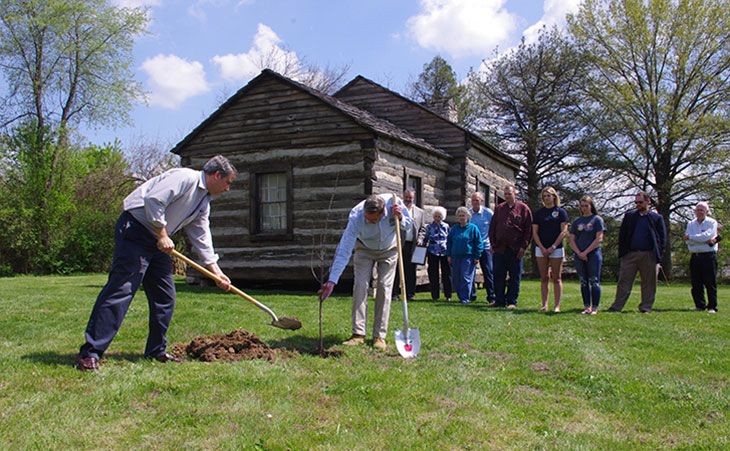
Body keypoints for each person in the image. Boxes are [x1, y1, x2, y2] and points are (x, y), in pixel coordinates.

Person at [76, 155, 237, 371]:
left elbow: (200, 234)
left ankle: (156, 350)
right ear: (217, 175)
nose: (228, 189)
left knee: (164, 296)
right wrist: (162, 234)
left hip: (159, 240)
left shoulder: (203, 200)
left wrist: (215, 271)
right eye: (228, 182)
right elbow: (154, 199)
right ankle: (91, 352)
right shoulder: (185, 177)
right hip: (136, 230)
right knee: (121, 290)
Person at [318, 194, 411, 351]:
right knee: (360, 286)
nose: (370, 222)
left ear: (383, 213)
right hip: (364, 248)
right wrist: (332, 281)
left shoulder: (394, 203)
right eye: (368, 219)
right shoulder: (356, 215)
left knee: (384, 287)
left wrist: (401, 217)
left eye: (373, 220)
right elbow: (345, 248)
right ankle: (358, 334)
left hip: (389, 249)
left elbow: (409, 225)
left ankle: (379, 336)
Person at [608, 191, 666, 313]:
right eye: (636, 202)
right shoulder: (629, 216)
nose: (638, 204)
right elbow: (622, 236)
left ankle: (645, 307)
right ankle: (617, 306)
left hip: (649, 255)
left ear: (648, 201)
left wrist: (658, 256)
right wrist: (623, 253)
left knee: (649, 283)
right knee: (624, 282)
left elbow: (662, 238)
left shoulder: (656, 218)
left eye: (640, 202)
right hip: (630, 254)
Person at [488, 185, 532, 309]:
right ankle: (499, 300)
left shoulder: (523, 209)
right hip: (500, 248)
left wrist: (524, 247)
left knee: (514, 275)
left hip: (516, 249)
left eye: (509, 194)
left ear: (515, 194)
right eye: (505, 194)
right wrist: (493, 244)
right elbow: (492, 228)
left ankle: (512, 301)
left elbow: (528, 230)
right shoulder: (499, 209)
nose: (507, 196)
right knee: (498, 275)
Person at [531, 186, 569, 312]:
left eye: (549, 195)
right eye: (544, 196)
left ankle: (557, 306)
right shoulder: (539, 213)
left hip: (556, 248)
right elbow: (535, 232)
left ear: (554, 196)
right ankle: (544, 305)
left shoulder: (561, 212)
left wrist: (553, 247)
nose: (547, 198)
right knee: (543, 277)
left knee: (556, 278)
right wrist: (542, 247)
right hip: (540, 249)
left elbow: (564, 231)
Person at [568, 196, 605, 315]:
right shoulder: (576, 222)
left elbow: (599, 239)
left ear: (591, 206)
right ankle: (587, 306)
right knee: (583, 281)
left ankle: (594, 307)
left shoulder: (597, 220)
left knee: (594, 281)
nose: (584, 208)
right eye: (582, 206)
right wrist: (579, 253)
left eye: (586, 206)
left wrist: (586, 252)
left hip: (593, 254)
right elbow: (572, 239)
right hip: (579, 255)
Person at [683, 202, 719, 313]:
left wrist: (692, 238)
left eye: (702, 210)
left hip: (708, 256)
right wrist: (701, 241)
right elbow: (687, 240)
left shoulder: (712, 222)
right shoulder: (691, 224)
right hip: (695, 256)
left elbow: (707, 236)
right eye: (697, 210)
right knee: (696, 282)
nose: (699, 212)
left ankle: (712, 306)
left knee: (710, 282)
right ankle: (699, 305)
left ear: (707, 212)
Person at [393, 188, 426, 301]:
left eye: (410, 198)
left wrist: (420, 239)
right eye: (406, 197)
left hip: (413, 245)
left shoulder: (420, 212)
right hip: (399, 243)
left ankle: (410, 294)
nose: (408, 199)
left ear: (414, 198)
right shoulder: (398, 209)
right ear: (403, 197)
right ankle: (394, 294)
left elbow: (422, 228)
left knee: (411, 270)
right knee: (397, 269)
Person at [447, 207, 483, 304]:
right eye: (460, 216)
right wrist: (449, 255)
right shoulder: (454, 229)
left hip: (468, 257)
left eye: (463, 215)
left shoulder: (473, 228)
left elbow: (479, 243)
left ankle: (465, 298)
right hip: (455, 257)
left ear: (468, 217)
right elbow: (449, 242)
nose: (462, 218)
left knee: (465, 277)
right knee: (456, 278)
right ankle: (460, 296)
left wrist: (477, 256)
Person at [469, 192, 495, 303]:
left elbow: (494, 229)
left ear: (482, 201)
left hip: (485, 246)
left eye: (477, 200)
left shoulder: (488, 213)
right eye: (473, 200)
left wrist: (493, 244)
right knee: (470, 272)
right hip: (471, 247)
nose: (475, 202)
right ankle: (471, 295)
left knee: (488, 271)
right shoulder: (468, 213)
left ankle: (491, 296)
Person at [424, 206, 452, 301]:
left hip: (444, 252)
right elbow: (425, 238)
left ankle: (448, 295)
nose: (437, 218)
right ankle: (435, 295)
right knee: (433, 274)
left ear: (442, 216)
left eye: (439, 216)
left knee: (446, 274)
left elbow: (449, 239)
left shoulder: (446, 226)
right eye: (435, 216)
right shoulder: (429, 227)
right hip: (432, 252)